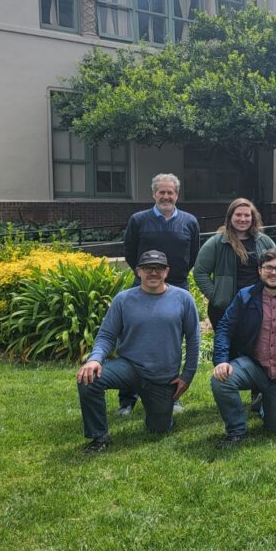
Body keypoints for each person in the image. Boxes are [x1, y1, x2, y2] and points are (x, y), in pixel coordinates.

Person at [75, 250, 200, 453]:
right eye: (148, 268)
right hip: (129, 367)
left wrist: (187, 375)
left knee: (159, 428)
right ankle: (99, 437)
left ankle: (159, 411)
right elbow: (107, 335)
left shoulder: (183, 299)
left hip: (162, 376)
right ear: (138, 271)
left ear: (166, 272)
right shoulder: (123, 300)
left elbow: (194, 339)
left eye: (158, 268)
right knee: (88, 379)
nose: (153, 273)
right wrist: (94, 359)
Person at [210, 250, 276, 446]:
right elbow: (225, 328)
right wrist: (221, 360)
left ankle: (264, 402)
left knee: (275, 427)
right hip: (253, 366)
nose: (273, 272)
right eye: (268, 268)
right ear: (260, 270)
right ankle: (237, 432)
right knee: (221, 381)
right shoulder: (245, 296)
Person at [119, 172, 201, 416]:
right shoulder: (138, 220)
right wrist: (148, 275)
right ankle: (127, 398)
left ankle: (171, 395)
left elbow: (193, 253)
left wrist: (174, 275)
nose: (166, 196)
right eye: (161, 192)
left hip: (178, 286)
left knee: (173, 342)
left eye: (171, 192)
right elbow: (130, 252)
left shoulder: (189, 222)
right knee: (132, 339)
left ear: (177, 195)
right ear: (153, 194)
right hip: (142, 286)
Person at [193, 198, 276, 329]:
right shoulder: (216, 242)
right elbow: (200, 272)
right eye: (238, 214)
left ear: (253, 218)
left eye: (247, 215)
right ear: (230, 217)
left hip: (257, 306)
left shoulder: (265, 241)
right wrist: (216, 297)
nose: (242, 219)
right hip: (225, 309)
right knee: (227, 348)